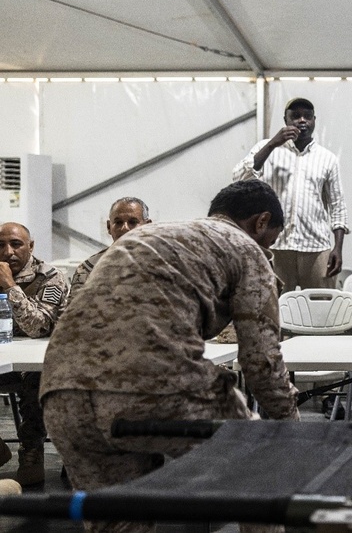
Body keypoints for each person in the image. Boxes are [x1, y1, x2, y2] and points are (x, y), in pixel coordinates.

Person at [40, 180, 299, 533]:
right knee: (259, 470)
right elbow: (262, 363)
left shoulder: (142, 239)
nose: (266, 247)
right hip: (152, 387)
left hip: (62, 393)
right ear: (260, 221)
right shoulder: (245, 248)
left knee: (118, 522)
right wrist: (295, 433)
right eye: (270, 239)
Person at [234, 97, 349, 290]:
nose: (302, 120)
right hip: (276, 246)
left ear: (314, 120)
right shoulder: (268, 148)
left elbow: (337, 205)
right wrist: (272, 144)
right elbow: (239, 177)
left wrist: (338, 248)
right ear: (285, 120)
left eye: (307, 116)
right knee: (275, 309)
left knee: (320, 311)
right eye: (295, 116)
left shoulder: (327, 158)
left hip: (316, 247)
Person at [0, 222, 69, 485]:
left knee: (35, 381)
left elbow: (37, 327)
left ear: (30, 246)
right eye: (1, 245)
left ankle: (32, 450)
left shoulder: (50, 277)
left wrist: (9, 285)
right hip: (4, 358)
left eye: (16, 244)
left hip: (37, 362)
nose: (8, 252)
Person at [66, 197, 152, 306]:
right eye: (118, 222)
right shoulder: (89, 268)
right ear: (108, 227)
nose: (125, 228)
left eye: (133, 222)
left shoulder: (165, 264)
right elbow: (74, 314)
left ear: (148, 225)